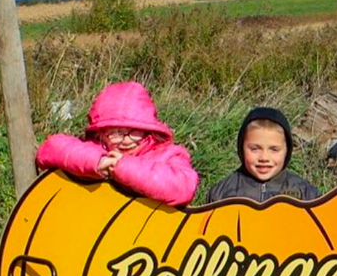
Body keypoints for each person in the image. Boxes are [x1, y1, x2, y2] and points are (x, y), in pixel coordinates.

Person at [36, 81, 198, 207]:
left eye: (135, 131)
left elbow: (184, 187)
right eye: (116, 132)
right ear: (100, 133)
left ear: (149, 131)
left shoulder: (168, 154)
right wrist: (98, 162)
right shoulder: (97, 148)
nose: (126, 139)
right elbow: (51, 148)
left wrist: (122, 167)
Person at [207, 107, 320, 203]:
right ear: (241, 148)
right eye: (255, 149)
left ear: (287, 150)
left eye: (274, 149)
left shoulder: (305, 193)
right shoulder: (221, 193)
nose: (264, 158)